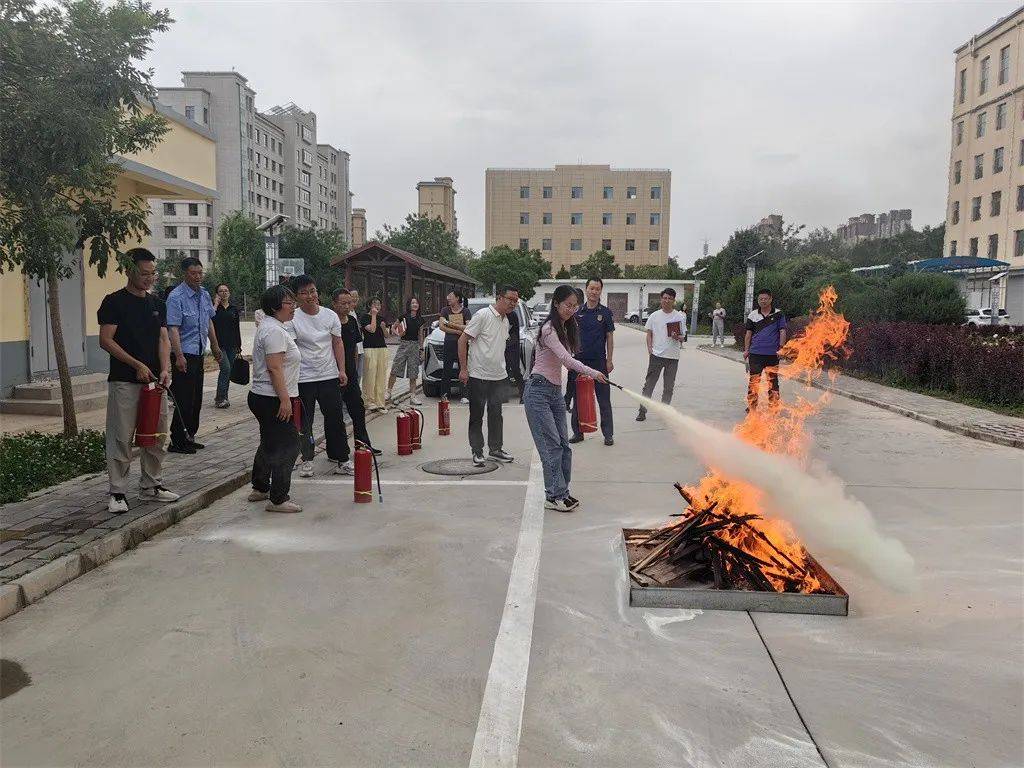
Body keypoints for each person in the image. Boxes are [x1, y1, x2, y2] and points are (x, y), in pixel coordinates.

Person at [97, 248, 180, 513]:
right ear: (129, 271)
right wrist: (136, 364)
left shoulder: (157, 303)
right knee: (121, 436)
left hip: (155, 382)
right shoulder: (114, 302)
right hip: (125, 381)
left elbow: (163, 338)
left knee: (156, 434)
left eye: (152, 273)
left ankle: (151, 486)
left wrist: (165, 369)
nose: (149, 278)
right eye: (144, 273)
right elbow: (106, 340)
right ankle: (117, 492)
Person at [524, 285, 608, 512]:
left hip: (554, 392)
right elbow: (567, 360)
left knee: (564, 446)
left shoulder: (567, 326)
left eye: (574, 306)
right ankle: (554, 496)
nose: (571, 310)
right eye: (568, 305)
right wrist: (594, 372)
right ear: (556, 304)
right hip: (538, 391)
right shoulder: (549, 329)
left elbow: (569, 358)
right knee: (551, 446)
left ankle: (562, 492)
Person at [248, 284, 303, 513]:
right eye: (289, 303)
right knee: (289, 445)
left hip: (264, 396)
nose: (293, 307)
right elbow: (274, 368)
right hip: (272, 398)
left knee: (270, 441)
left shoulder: (272, 327)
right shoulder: (274, 331)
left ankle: (260, 486)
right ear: (275, 307)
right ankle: (278, 498)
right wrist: (285, 400)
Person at [290, 275, 352, 478]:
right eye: (304, 293)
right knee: (304, 423)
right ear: (297, 296)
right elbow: (291, 349)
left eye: (313, 291)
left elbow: (337, 343)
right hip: (304, 378)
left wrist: (341, 370)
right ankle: (307, 460)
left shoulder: (330, 316)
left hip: (328, 375)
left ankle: (343, 459)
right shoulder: (293, 318)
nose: (310, 296)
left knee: (335, 419)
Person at [458, 286, 520, 466]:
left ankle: (496, 449)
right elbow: (462, 340)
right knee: (476, 415)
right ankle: (477, 452)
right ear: (499, 297)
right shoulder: (483, 315)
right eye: (510, 299)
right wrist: (464, 369)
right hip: (478, 375)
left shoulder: (506, 320)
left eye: (516, 301)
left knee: (496, 415)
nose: (513, 303)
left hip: (498, 376)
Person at [165, 257, 221, 453]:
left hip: (198, 352)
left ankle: (190, 435)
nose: (197, 277)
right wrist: (179, 355)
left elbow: (209, 321)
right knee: (183, 398)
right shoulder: (176, 297)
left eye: (200, 273)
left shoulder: (204, 294)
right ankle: (177, 440)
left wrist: (215, 346)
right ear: (184, 274)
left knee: (196, 398)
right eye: (193, 273)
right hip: (184, 354)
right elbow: (173, 328)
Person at [332, 288, 380, 456]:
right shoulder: (330, 322)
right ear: (334, 304)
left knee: (358, 410)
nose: (347, 306)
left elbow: (354, 348)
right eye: (343, 303)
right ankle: (337, 451)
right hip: (332, 374)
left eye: (349, 302)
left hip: (350, 374)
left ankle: (362, 445)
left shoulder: (352, 321)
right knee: (335, 414)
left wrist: (353, 368)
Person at [568, 277, 615, 446]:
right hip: (579, 361)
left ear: (601, 291)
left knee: (604, 399)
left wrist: (609, 360)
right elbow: (570, 334)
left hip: (599, 362)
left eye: (597, 289)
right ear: (586, 289)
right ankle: (578, 432)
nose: (594, 292)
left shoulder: (606, 313)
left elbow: (609, 337)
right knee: (578, 398)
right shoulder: (577, 312)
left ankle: (608, 434)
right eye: (591, 288)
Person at [636, 288, 686, 422]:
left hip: (672, 357)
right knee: (649, 385)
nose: (667, 300)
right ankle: (642, 411)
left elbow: (683, 337)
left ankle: (664, 412)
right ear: (661, 299)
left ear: (674, 300)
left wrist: (677, 337)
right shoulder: (654, 316)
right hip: (656, 356)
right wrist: (650, 349)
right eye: (665, 298)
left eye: (670, 298)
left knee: (668, 387)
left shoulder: (679, 317)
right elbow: (649, 334)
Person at [744, 288, 788, 412]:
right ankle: (752, 405)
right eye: (760, 299)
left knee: (772, 381)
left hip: (772, 355)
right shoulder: (753, 315)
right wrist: (746, 350)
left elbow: (782, 331)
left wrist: (781, 348)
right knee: (754, 381)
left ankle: (774, 406)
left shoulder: (778, 314)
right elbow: (748, 333)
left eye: (765, 299)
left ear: (770, 299)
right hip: (755, 354)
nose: (763, 301)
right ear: (758, 300)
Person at [387, 296, 426, 407]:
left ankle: (412, 396)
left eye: (416, 303)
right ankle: (388, 392)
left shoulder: (420, 319)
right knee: (396, 367)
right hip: (403, 344)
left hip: (414, 346)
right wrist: (399, 334)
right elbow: (393, 328)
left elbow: (421, 335)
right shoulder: (403, 317)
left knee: (413, 372)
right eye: (413, 303)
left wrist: (421, 349)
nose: (415, 305)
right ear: (409, 305)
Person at [212, 283, 242, 408]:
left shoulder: (233, 309)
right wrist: (215, 304)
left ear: (229, 293)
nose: (224, 293)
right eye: (221, 291)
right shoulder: (214, 309)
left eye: (226, 290)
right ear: (217, 294)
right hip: (219, 345)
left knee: (228, 371)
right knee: (225, 369)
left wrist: (239, 345)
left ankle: (224, 397)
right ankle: (220, 398)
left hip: (232, 345)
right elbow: (210, 320)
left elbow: (236, 328)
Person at [438, 290, 470, 403]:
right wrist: (457, 331)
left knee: (463, 367)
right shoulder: (445, 310)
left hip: (463, 343)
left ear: (457, 298)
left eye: (450, 296)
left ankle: (465, 395)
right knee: (447, 369)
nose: (448, 298)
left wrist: (449, 324)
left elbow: (468, 327)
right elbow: (441, 326)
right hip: (449, 343)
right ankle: (445, 395)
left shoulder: (466, 311)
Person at [360, 298, 390, 412]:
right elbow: (372, 330)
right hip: (369, 348)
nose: (377, 306)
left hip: (382, 348)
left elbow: (387, 335)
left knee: (381, 376)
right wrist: (373, 315)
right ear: (369, 305)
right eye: (374, 304)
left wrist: (383, 327)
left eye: (379, 304)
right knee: (370, 376)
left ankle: (380, 402)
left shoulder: (382, 319)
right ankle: (368, 401)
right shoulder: (364, 317)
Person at [349, 289, 364, 379]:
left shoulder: (355, 313)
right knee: (354, 372)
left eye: (356, 297)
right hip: (353, 346)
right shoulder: (347, 313)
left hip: (360, 345)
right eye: (353, 297)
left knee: (359, 373)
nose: (355, 299)